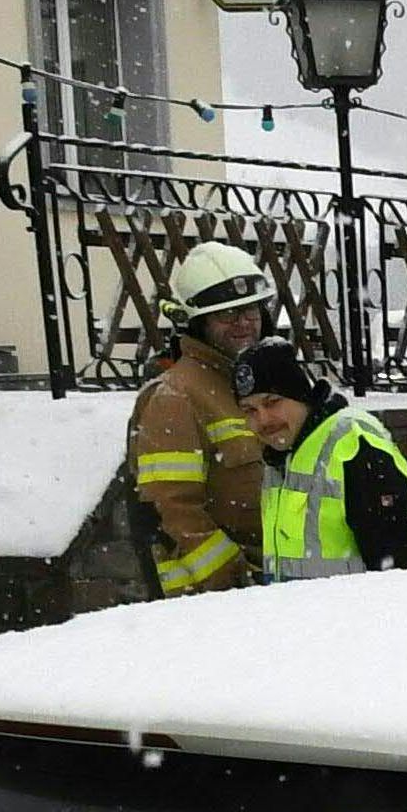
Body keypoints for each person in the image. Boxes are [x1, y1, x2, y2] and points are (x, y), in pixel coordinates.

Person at [126, 243, 277, 598]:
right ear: (198, 322)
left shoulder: (252, 383)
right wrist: (233, 578)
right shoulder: (174, 396)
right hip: (211, 602)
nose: (242, 322)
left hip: (270, 585)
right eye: (226, 314)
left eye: (249, 309)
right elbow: (172, 509)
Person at [239, 337, 407, 579]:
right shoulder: (281, 455)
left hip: (351, 614)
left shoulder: (353, 445)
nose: (262, 419)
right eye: (249, 410)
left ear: (300, 395)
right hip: (305, 614)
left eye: (272, 402)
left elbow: (396, 574)